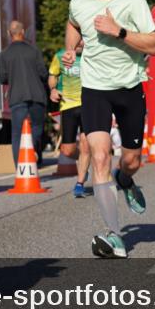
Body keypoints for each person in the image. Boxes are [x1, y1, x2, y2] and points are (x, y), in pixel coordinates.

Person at [64, 0, 155, 259]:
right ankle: (115, 234)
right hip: (94, 88)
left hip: (130, 86)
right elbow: (73, 23)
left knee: (130, 161)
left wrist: (118, 31)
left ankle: (126, 180)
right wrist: (70, 49)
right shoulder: (79, 1)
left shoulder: (133, 0)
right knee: (100, 155)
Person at [0, 20, 49, 169]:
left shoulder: (5, 54)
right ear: (23, 32)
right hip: (37, 96)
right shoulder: (34, 51)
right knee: (37, 127)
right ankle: (31, 150)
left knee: (16, 134)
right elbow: (43, 74)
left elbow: (2, 78)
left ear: (9, 34)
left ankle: (20, 168)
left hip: (17, 97)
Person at [50, 40, 91, 198]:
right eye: (78, 38)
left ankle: (80, 183)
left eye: (84, 38)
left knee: (86, 145)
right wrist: (53, 89)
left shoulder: (93, 56)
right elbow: (53, 76)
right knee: (67, 150)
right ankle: (84, 160)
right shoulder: (61, 56)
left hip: (89, 104)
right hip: (68, 105)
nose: (81, 42)